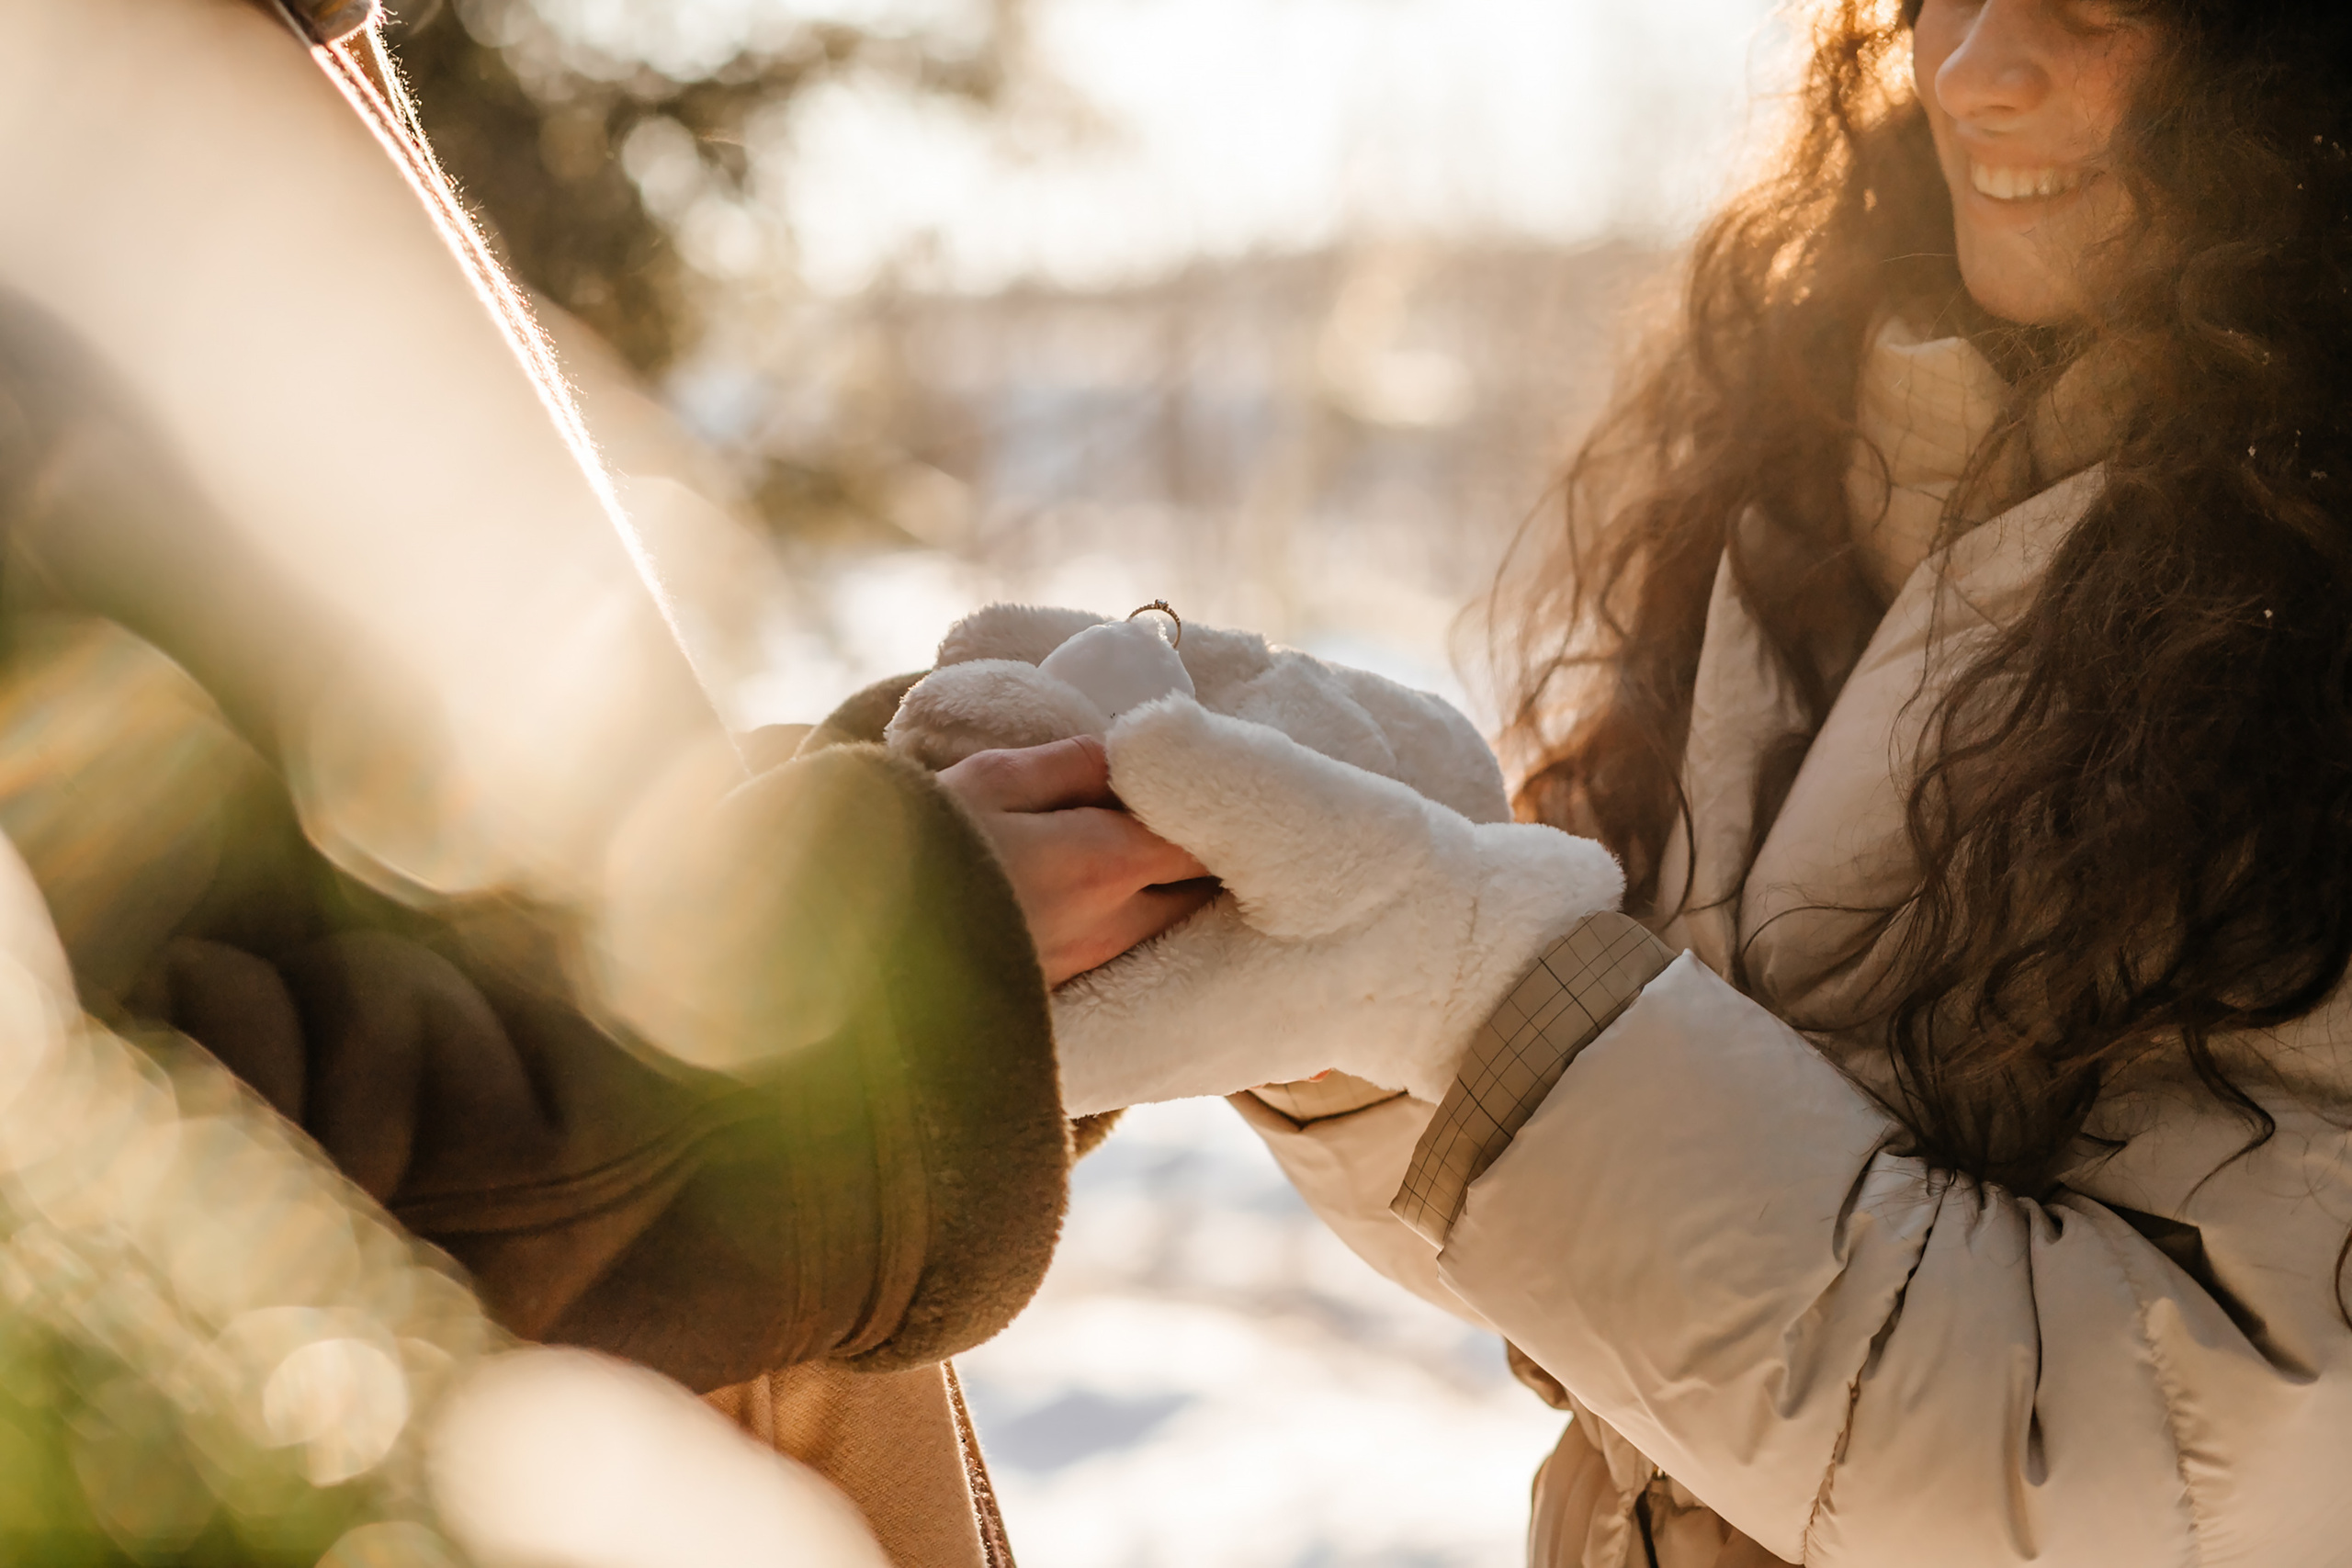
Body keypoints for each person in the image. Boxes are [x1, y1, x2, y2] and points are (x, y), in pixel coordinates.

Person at [1002, 0, 2352, 1563]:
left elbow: (2177, 1478)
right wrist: (1348, 979)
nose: (1976, 64)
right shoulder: (1828, 452)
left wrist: (1484, 994)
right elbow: (1648, 1332)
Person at [0, 0, 1206, 1561]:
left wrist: (896, 857)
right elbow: (104, 1209)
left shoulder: (264, 54)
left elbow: (409, 868)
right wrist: (874, 996)